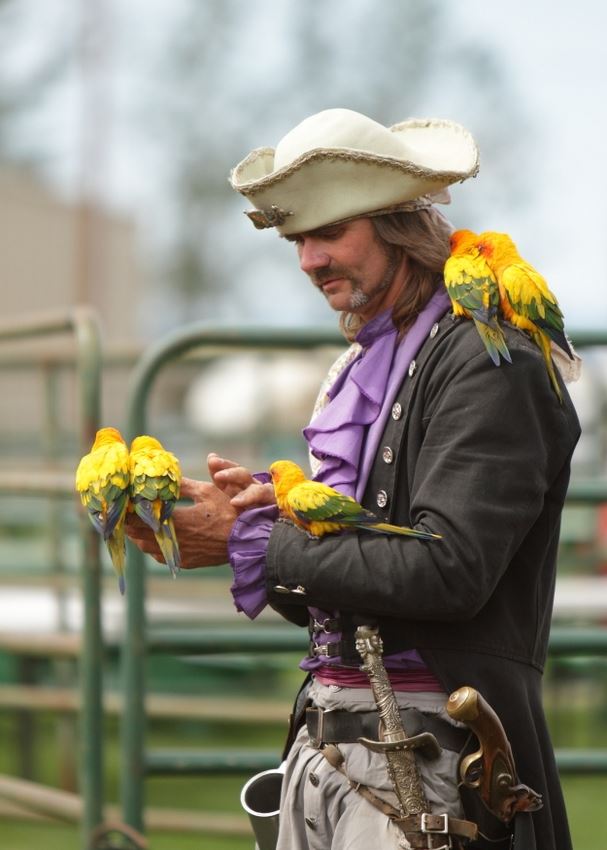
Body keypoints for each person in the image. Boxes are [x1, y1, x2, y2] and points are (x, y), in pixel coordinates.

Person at [127, 108, 580, 850]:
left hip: (429, 761)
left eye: (328, 233)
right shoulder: (364, 364)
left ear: (397, 225)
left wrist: (257, 541)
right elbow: (347, 606)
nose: (308, 260)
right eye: (297, 239)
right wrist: (261, 525)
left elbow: (446, 572)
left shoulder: (489, 362)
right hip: (335, 747)